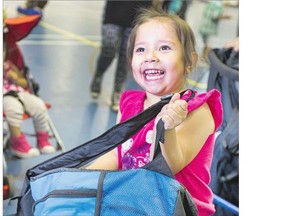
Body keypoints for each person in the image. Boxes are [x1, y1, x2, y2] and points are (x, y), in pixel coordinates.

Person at [86, 8, 223, 216]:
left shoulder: (198, 110)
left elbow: (169, 166)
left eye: (164, 48)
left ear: (190, 62)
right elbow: (118, 153)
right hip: (133, 203)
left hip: (179, 209)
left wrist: (166, 129)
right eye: (140, 50)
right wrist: (82, 179)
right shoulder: (130, 103)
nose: (150, 56)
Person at [90, 0, 154, 111]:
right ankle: (98, 74)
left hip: (137, 18)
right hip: (113, 15)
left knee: (126, 56)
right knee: (109, 48)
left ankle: (117, 91)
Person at [3, 40, 56, 158]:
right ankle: (17, 144)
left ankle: (43, 140)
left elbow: (24, 83)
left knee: (38, 105)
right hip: (4, 97)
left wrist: (16, 78)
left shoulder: (9, 66)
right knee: (14, 109)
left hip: (19, 92)